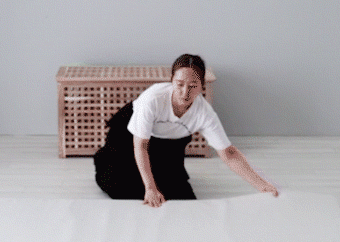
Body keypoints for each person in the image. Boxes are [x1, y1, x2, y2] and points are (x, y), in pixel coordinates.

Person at [94, 54, 279, 207]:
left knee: (181, 197)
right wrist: (150, 188)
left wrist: (261, 184)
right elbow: (141, 145)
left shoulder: (204, 113)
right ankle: (105, 161)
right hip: (130, 138)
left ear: (202, 86)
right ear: (171, 81)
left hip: (167, 142)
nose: (185, 92)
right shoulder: (152, 99)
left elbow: (228, 153)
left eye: (193, 86)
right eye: (180, 84)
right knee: (119, 185)